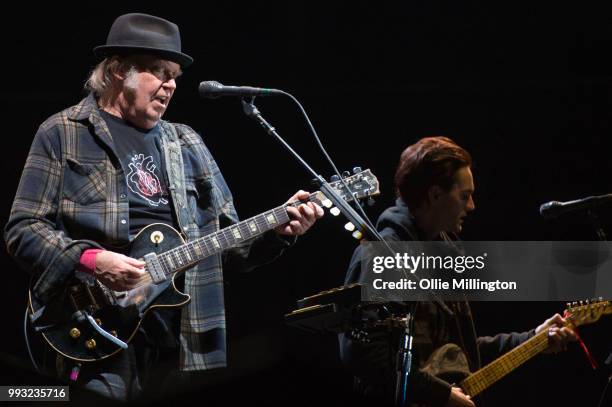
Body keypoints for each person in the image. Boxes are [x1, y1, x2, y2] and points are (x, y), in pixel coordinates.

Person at [4, 13, 323, 401]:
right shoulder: (64, 131)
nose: (170, 84)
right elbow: (23, 229)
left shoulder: (187, 142)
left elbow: (232, 249)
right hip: (93, 326)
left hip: (183, 337)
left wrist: (278, 232)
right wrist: (92, 260)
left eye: (174, 75)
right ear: (119, 70)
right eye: (158, 71)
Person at [339, 137, 576, 407]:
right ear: (435, 195)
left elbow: (461, 353)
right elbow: (363, 354)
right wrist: (440, 394)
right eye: (464, 195)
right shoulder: (382, 255)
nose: (472, 206)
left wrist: (532, 339)